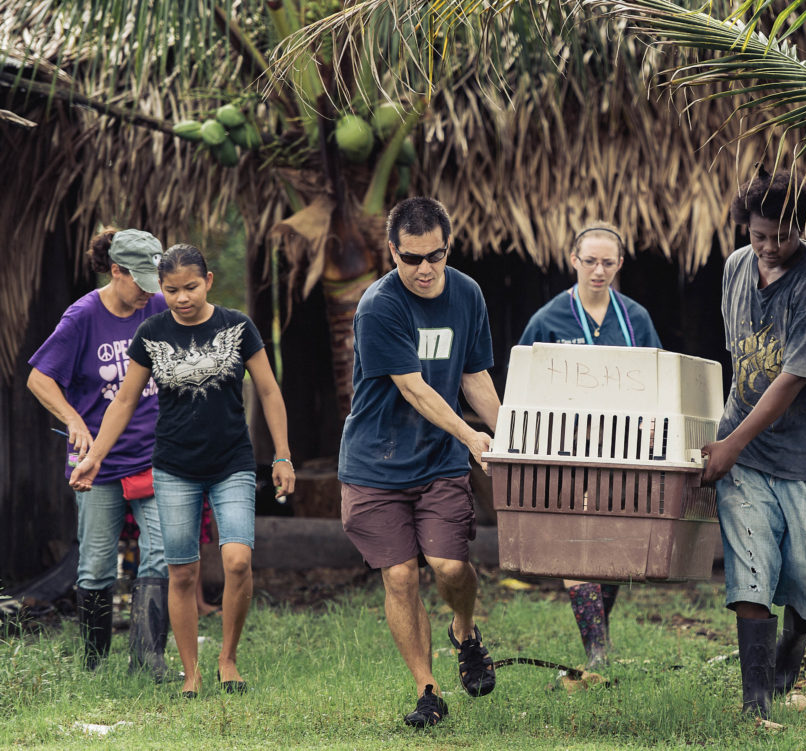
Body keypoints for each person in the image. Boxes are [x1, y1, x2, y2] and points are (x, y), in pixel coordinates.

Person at [69, 243, 295, 698]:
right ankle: (191, 673)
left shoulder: (238, 325)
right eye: (171, 290)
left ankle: (227, 659)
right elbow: (125, 401)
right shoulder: (151, 332)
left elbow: (269, 392)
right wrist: (94, 456)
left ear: (208, 281)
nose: (181, 298)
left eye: (190, 287)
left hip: (231, 462)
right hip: (173, 468)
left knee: (237, 559)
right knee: (182, 571)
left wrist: (283, 454)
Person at [338, 197, 502, 728]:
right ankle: (428, 689)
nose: (425, 269)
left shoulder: (467, 293)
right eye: (411, 259)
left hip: (436, 461)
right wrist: (471, 437)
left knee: (451, 567)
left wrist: (510, 435)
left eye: (436, 256)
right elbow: (414, 389)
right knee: (402, 577)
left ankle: (464, 630)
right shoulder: (378, 306)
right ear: (392, 252)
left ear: (448, 248)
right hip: (375, 463)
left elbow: (474, 377)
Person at [701, 166, 806, 721]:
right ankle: (754, 702)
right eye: (758, 235)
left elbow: (790, 380)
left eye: (781, 236)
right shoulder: (736, 267)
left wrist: (732, 444)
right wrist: (729, 439)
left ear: (802, 228)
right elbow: (741, 358)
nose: (767, 247)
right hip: (747, 451)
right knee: (751, 565)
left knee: (802, 570)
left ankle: (795, 642)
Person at [27, 228, 171, 679]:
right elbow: (39, 378)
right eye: (142, 281)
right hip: (98, 462)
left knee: (163, 551)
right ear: (116, 271)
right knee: (95, 562)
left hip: (154, 455)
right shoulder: (83, 316)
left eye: (155, 281)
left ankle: (147, 662)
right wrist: (74, 421)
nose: (149, 292)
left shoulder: (161, 306)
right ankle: (94, 664)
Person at [517, 222, 661, 669]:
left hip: (624, 452)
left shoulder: (635, 317)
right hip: (567, 451)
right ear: (573, 261)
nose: (598, 271)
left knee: (613, 546)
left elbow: (657, 381)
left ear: (619, 265)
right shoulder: (548, 319)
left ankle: (597, 639)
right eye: (590, 261)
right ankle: (598, 653)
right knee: (577, 545)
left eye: (608, 262)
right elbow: (523, 385)